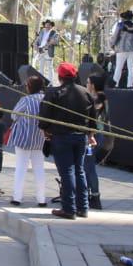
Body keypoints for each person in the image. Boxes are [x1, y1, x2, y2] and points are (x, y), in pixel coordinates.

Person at [38, 62, 96, 219]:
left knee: (67, 172)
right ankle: (83, 207)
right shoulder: (85, 93)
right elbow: (93, 118)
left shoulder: (53, 93)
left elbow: (43, 117)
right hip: (81, 137)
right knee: (80, 171)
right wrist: (91, 134)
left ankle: (69, 209)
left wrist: (46, 131)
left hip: (62, 137)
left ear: (59, 76)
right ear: (75, 75)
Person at [8, 76, 47, 207]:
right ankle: (41, 199)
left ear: (29, 87)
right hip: (40, 139)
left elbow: (13, 115)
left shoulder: (25, 100)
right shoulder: (46, 100)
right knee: (39, 168)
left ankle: (17, 197)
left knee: (20, 167)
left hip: (23, 138)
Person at [84, 74, 111, 210]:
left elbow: (93, 115)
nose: (86, 84)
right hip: (95, 136)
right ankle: (88, 194)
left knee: (89, 166)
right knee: (87, 166)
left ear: (93, 85)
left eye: (88, 82)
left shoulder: (99, 98)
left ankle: (94, 196)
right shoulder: (99, 97)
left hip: (94, 137)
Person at [109, 10, 133, 89]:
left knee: (118, 68)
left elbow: (115, 36)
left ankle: (115, 85)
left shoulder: (120, 25)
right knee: (131, 68)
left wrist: (112, 45)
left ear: (124, 18)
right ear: (131, 18)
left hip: (121, 49)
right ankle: (130, 85)